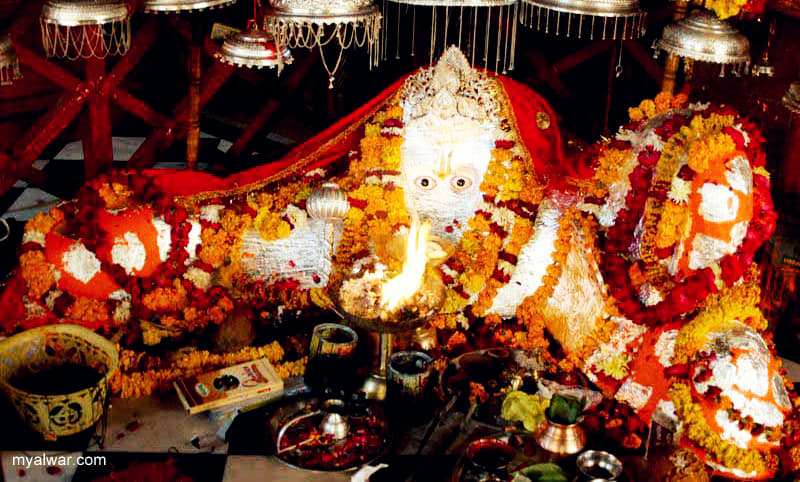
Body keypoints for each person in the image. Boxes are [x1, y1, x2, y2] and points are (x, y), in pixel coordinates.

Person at [0, 47, 793, 477]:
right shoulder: (340, 211)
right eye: (423, 179)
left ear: (506, 174)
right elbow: (233, 238)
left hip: (475, 349)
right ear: (382, 162)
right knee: (130, 243)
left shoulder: (553, 235)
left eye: (464, 182)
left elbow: (622, 336)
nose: (440, 205)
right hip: (343, 294)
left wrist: (700, 368)